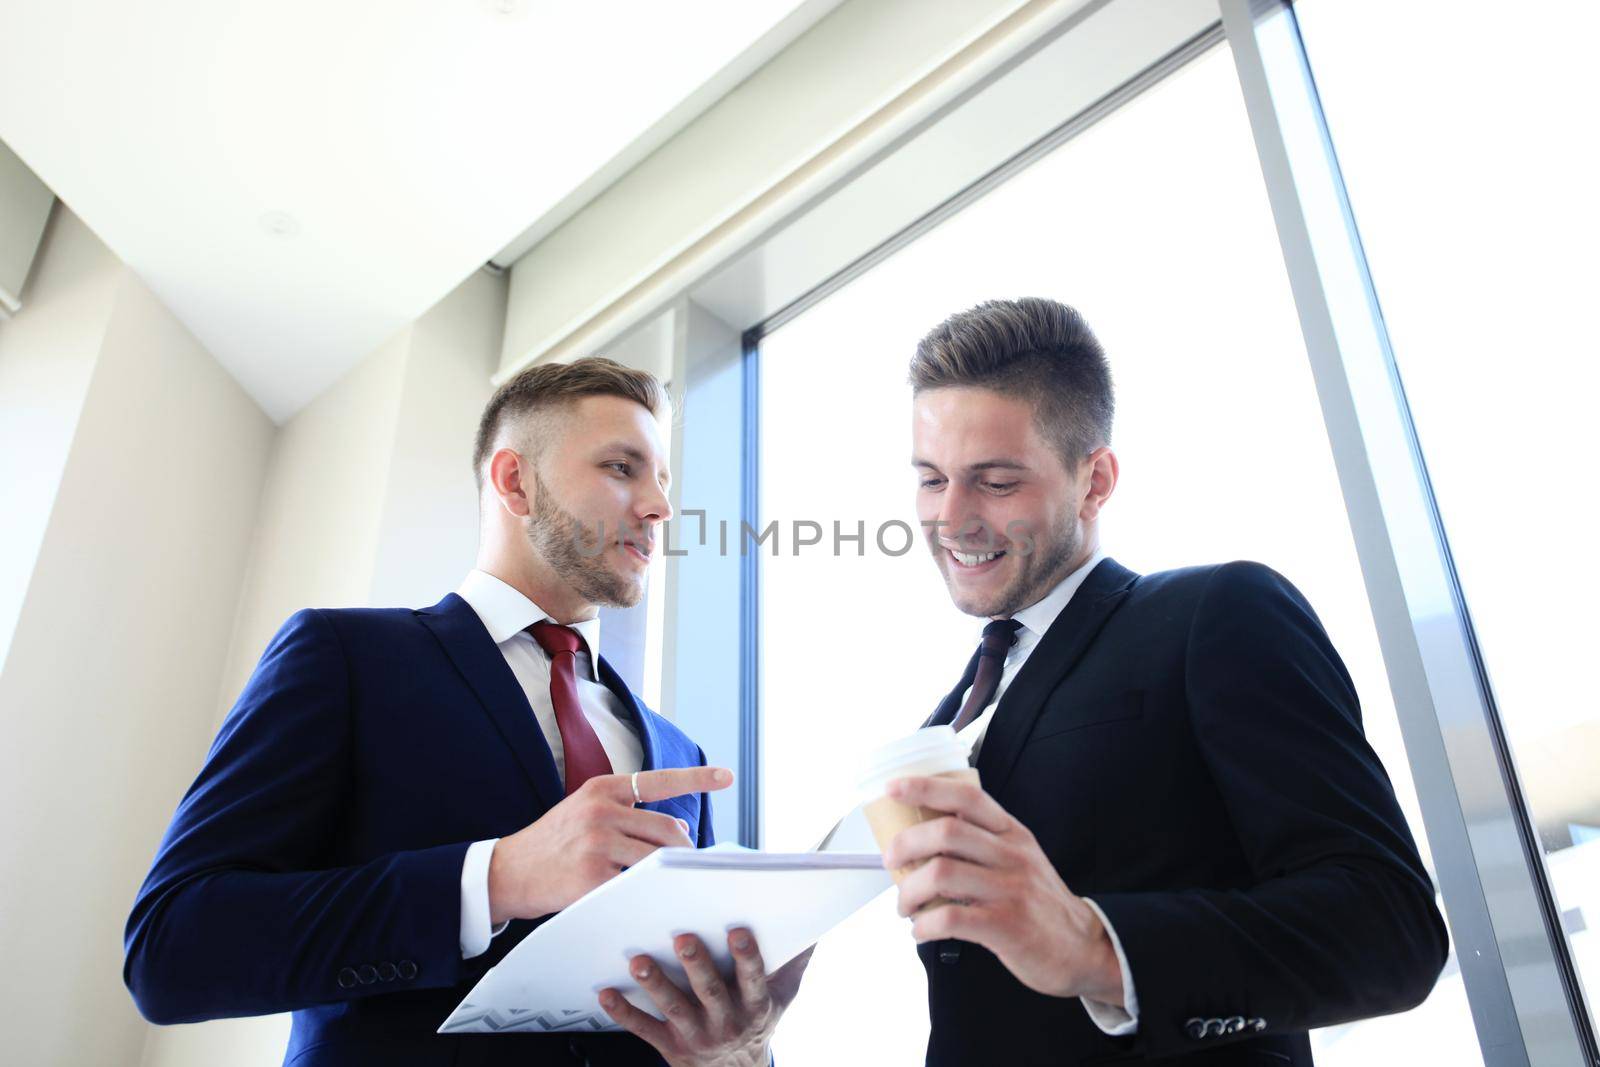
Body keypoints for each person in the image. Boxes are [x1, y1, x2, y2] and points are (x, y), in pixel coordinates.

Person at [125, 358, 796, 1066]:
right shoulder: (345, 657)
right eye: (622, 467)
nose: (660, 507)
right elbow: (173, 949)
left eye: (662, 480)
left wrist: (737, 1051)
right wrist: (497, 877)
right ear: (515, 481)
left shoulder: (680, 757)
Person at [882, 298, 1449, 1065]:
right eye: (930, 480)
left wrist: (1098, 946)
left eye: (996, 481)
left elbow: (1392, 927)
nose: (951, 518)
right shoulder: (948, 720)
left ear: (1094, 481)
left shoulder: (1214, 614)